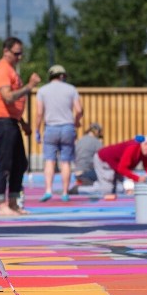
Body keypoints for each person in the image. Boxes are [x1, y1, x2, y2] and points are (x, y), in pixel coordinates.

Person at [0, 37, 41, 216]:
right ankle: (1, 204)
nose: (20, 57)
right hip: (2, 122)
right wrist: (29, 86)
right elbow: (8, 97)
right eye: (16, 53)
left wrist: (23, 122)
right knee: (4, 163)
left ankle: (13, 202)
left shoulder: (11, 69)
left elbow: (13, 104)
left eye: (21, 54)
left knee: (20, 163)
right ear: (6, 51)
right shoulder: (3, 69)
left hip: (12, 121)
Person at [35, 64, 83, 202]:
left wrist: (37, 130)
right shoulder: (71, 89)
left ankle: (48, 190)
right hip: (67, 127)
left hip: (51, 128)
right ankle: (65, 192)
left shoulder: (42, 91)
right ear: (62, 76)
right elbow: (79, 110)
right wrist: (76, 122)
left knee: (49, 161)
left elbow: (39, 113)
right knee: (65, 162)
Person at [73, 135, 147, 197]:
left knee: (120, 189)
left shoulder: (144, 153)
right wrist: (137, 178)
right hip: (103, 161)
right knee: (106, 190)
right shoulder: (133, 148)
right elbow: (122, 169)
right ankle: (79, 189)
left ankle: (94, 183)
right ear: (146, 144)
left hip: (115, 166)